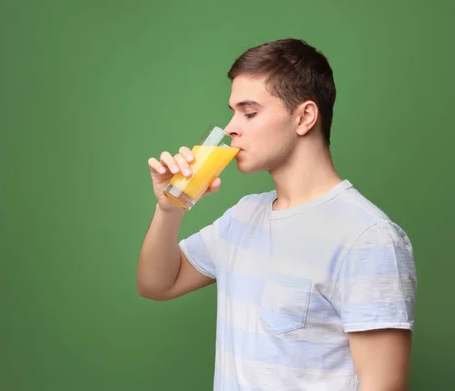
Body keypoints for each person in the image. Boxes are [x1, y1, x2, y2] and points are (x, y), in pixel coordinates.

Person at [138, 38, 417, 391]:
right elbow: (156, 284)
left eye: (249, 112)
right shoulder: (243, 216)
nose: (230, 128)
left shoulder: (368, 238)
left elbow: (383, 385)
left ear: (304, 117)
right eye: (233, 111)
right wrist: (169, 206)